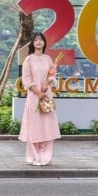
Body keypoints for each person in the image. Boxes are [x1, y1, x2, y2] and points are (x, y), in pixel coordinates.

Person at [18, 32, 61, 166]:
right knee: (35, 126)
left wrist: (46, 83)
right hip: (34, 97)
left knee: (47, 125)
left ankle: (45, 156)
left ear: (44, 42)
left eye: (40, 39)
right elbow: (26, 81)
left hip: (46, 95)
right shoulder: (28, 60)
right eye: (36, 40)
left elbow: (52, 76)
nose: (38, 41)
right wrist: (38, 92)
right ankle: (35, 156)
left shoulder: (48, 59)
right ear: (32, 43)